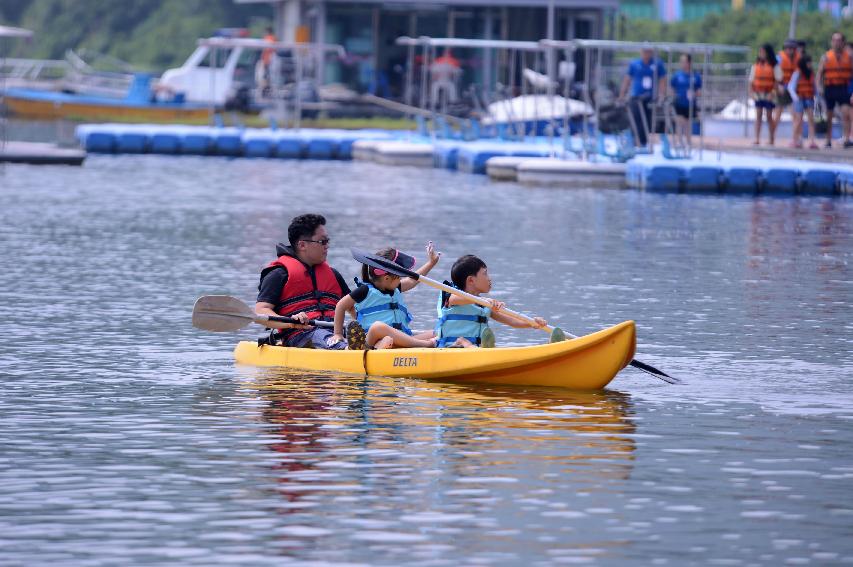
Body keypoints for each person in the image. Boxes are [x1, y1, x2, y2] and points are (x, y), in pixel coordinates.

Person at [255, 214, 352, 349]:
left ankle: (363, 347)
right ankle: (346, 348)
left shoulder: (333, 275)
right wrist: (291, 323)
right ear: (302, 245)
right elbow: (261, 310)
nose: (327, 246)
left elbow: (354, 308)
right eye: (322, 242)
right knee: (318, 335)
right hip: (301, 335)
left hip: (337, 334)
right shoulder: (278, 274)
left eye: (327, 241)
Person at [331, 243, 441, 350]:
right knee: (378, 327)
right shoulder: (365, 291)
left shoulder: (395, 287)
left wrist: (431, 262)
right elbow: (341, 305)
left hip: (402, 340)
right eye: (399, 277)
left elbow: (413, 280)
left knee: (437, 332)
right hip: (373, 339)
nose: (401, 280)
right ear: (387, 278)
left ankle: (415, 345)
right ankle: (425, 345)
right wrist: (338, 334)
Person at [435, 255, 547, 349]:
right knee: (468, 345)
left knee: (477, 348)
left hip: (475, 352)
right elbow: (454, 299)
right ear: (471, 280)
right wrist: (484, 300)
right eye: (485, 274)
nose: (489, 278)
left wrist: (532, 323)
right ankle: (464, 344)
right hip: (451, 349)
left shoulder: (483, 305)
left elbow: (512, 321)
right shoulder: (453, 297)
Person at [618, 47, 667, 148]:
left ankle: (643, 142)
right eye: (644, 51)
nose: (646, 53)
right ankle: (634, 140)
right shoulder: (634, 64)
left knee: (647, 121)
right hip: (636, 97)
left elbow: (663, 79)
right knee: (635, 119)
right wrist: (622, 94)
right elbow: (627, 79)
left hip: (650, 97)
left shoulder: (657, 64)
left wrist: (661, 95)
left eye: (648, 51)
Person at [817, 31, 853, 148]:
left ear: (843, 42)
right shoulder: (826, 57)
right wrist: (819, 88)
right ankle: (828, 139)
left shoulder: (849, 57)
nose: (836, 43)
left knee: (846, 113)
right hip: (830, 88)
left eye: (839, 40)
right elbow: (819, 74)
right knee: (829, 115)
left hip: (843, 88)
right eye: (834, 40)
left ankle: (847, 138)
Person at [749, 44, 782, 145]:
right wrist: (751, 93)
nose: (761, 54)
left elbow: (777, 81)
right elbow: (751, 81)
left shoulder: (774, 66)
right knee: (758, 115)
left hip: (769, 93)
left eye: (763, 52)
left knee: (768, 116)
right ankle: (756, 138)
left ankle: (771, 138)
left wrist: (772, 93)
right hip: (758, 94)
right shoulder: (756, 65)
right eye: (760, 52)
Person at [669, 53, 702, 147]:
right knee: (679, 123)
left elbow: (699, 90)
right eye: (681, 62)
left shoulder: (695, 76)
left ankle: (688, 142)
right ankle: (678, 142)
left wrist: (694, 94)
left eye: (684, 61)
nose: (682, 64)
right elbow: (671, 88)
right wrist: (673, 97)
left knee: (688, 124)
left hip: (690, 104)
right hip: (679, 103)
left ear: (689, 63)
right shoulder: (677, 75)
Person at [788, 54, 818, 149]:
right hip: (800, 99)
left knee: (811, 120)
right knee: (798, 120)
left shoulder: (811, 73)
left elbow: (814, 87)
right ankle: (794, 140)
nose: (810, 64)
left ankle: (812, 141)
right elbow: (791, 87)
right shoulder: (798, 73)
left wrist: (816, 98)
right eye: (808, 62)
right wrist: (796, 98)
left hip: (809, 98)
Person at [774, 39, 800, 144]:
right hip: (782, 88)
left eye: (792, 49)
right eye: (788, 48)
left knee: (795, 115)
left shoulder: (798, 58)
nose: (790, 50)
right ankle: (772, 137)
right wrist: (778, 87)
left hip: (793, 90)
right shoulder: (779, 58)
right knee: (777, 115)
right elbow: (774, 73)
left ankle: (796, 139)